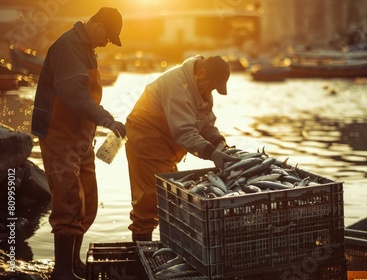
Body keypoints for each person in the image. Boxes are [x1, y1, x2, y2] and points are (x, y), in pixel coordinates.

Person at [30, 7, 126, 280]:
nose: (107, 43)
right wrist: (107, 119)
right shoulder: (70, 46)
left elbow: (86, 98)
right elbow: (75, 97)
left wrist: (102, 125)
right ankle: (62, 272)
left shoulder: (86, 47)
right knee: (68, 200)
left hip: (80, 137)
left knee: (87, 201)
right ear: (98, 25)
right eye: (108, 36)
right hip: (59, 136)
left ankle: (73, 264)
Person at [125, 55, 240, 241]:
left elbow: (205, 124)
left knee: (170, 199)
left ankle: (167, 246)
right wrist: (212, 154)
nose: (210, 91)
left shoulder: (199, 88)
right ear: (201, 74)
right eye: (211, 85)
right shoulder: (177, 85)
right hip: (146, 139)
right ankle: (141, 253)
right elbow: (184, 132)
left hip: (167, 145)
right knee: (150, 200)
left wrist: (219, 142)